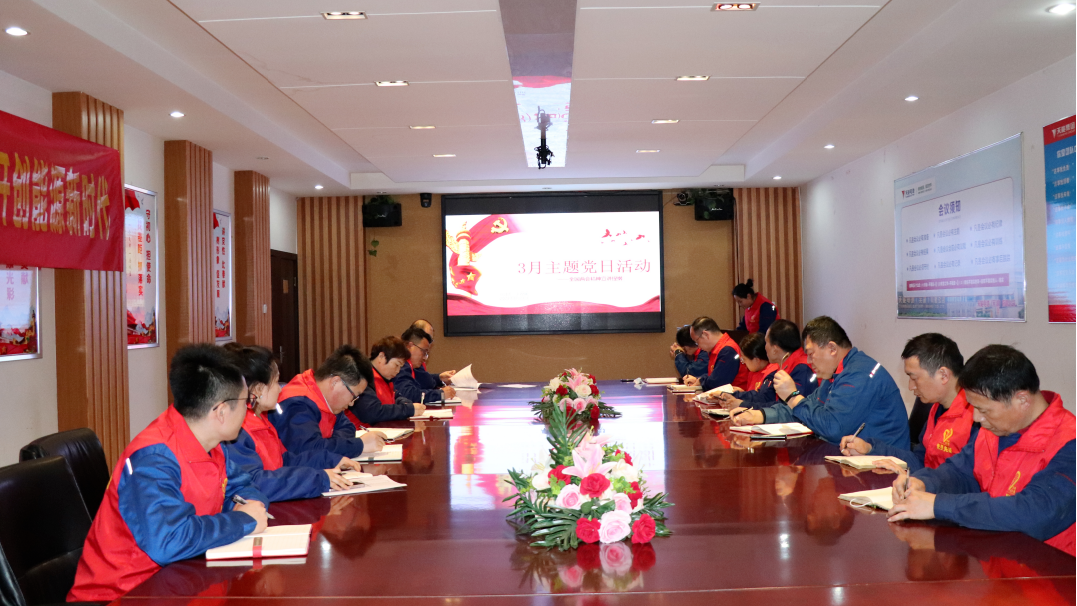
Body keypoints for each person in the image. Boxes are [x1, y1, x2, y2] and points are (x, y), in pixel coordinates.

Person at [68, 345, 270, 602]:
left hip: (184, 579)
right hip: (124, 594)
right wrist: (242, 520)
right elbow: (168, 540)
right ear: (220, 412)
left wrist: (250, 505)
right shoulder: (153, 459)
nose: (248, 410)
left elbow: (242, 486)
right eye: (246, 402)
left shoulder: (212, 442)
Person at [887, 345, 1075, 556]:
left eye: (983, 410)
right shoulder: (994, 429)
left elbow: (1034, 514)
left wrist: (939, 505)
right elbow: (961, 472)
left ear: (1022, 400)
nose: (976, 418)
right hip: (998, 557)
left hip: (1052, 567)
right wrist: (924, 483)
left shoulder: (1069, 443)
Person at [743, 316, 909, 449]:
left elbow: (833, 428)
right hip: (852, 458)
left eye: (811, 354)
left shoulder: (860, 374)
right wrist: (760, 415)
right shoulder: (835, 372)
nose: (809, 361)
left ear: (832, 349)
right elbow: (806, 409)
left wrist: (793, 396)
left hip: (882, 465)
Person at [222, 343, 361, 501]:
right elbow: (256, 482)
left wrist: (330, 460)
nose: (280, 389)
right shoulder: (238, 429)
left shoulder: (261, 419)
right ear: (258, 389)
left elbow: (284, 460)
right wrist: (317, 479)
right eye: (276, 382)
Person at [839, 333, 975, 472]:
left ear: (943, 375)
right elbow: (919, 461)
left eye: (914, 378)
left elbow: (965, 479)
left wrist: (924, 482)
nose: (911, 386)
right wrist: (870, 449)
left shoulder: (976, 418)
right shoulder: (936, 409)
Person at [271, 345, 392, 457]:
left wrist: (327, 444)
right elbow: (309, 451)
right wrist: (358, 445)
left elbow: (348, 428)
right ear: (335, 382)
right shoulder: (297, 402)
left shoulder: (328, 400)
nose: (352, 403)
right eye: (354, 395)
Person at [719, 320, 817, 410]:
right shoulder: (783, 364)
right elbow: (765, 397)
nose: (764, 347)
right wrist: (734, 396)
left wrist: (742, 404)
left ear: (775, 349)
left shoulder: (802, 369)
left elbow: (787, 409)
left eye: (766, 342)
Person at [683, 316, 750, 391]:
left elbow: (717, 383)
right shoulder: (718, 349)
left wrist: (700, 381)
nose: (698, 346)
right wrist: (698, 380)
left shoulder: (728, 350)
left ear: (706, 335)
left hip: (734, 396)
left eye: (697, 341)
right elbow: (714, 375)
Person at [394, 327, 456, 404]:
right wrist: (440, 394)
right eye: (423, 351)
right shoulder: (400, 366)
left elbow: (422, 381)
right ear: (410, 346)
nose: (425, 357)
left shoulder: (410, 365)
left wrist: (439, 378)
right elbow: (409, 394)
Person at [410, 319, 457, 389]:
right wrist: (441, 393)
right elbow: (426, 382)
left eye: (431, 340)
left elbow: (422, 378)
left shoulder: (418, 357)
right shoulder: (404, 361)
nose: (429, 343)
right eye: (428, 338)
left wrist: (440, 377)